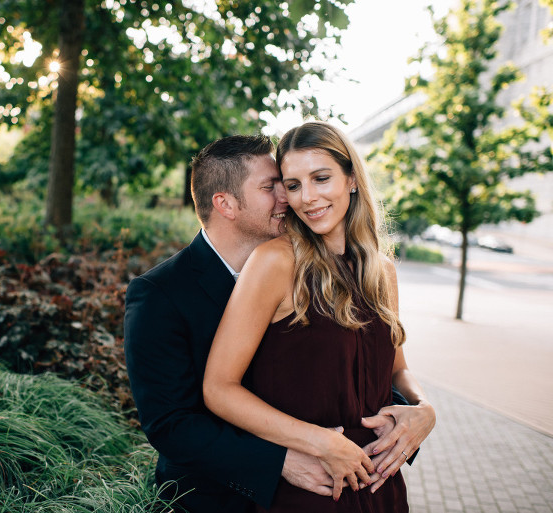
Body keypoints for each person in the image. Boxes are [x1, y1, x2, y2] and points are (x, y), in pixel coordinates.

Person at [124, 133, 434, 512]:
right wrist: (281, 460)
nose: (291, 198)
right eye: (277, 186)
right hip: (226, 497)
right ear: (225, 204)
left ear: (352, 180)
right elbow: (171, 424)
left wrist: (423, 411)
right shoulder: (162, 292)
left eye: (315, 179)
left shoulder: (372, 269)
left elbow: (381, 369)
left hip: (368, 480)